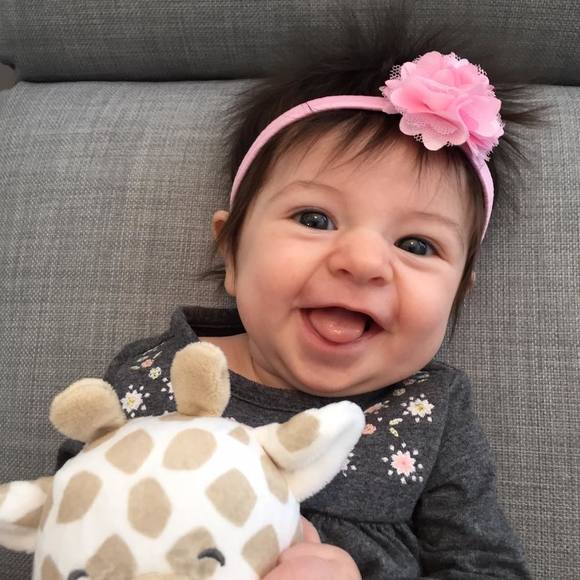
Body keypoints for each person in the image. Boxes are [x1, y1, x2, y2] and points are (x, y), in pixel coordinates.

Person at [57, 10, 539, 580]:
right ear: (232, 254)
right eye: (315, 218)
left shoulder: (429, 411)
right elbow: (71, 516)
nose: (363, 262)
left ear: (458, 293)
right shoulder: (149, 374)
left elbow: (487, 567)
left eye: (416, 244)